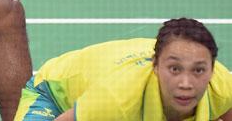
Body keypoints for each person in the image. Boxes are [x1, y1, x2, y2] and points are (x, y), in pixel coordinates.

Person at [14, 18, 232, 121]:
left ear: (212, 70)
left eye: (198, 71)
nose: (186, 84)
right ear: (155, 66)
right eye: (175, 69)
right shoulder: (115, 99)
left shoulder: (223, 88)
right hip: (54, 95)